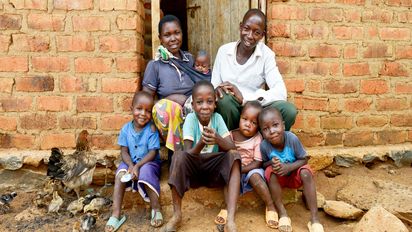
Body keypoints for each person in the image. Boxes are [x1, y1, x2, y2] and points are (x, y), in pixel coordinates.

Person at [163, 80, 241, 232]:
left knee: (234, 156)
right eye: (199, 102)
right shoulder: (191, 119)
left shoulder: (217, 119)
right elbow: (188, 153)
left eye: (209, 102)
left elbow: (232, 147)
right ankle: (177, 215)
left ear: (215, 104)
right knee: (178, 156)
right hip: (195, 171)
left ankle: (230, 220)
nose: (205, 106)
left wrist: (218, 139)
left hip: (214, 172)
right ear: (193, 106)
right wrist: (200, 143)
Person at [211, 9, 297, 131]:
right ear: (240, 27)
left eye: (257, 32)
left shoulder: (266, 55)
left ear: (262, 35)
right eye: (246, 29)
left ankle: (263, 146)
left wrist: (245, 98)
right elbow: (214, 86)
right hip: (230, 110)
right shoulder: (224, 51)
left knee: (289, 110)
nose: (250, 36)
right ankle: (229, 143)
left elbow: (281, 92)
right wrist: (218, 90)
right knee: (223, 100)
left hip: (255, 112)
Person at [142, 15, 210, 154]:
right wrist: (172, 99)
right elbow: (146, 98)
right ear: (160, 38)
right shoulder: (155, 65)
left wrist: (188, 101)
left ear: (182, 34)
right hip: (171, 114)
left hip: (192, 107)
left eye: (176, 33)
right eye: (167, 35)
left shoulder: (190, 59)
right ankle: (179, 154)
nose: (173, 38)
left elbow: (203, 80)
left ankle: (200, 153)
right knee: (168, 108)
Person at [215, 101, 278, 229]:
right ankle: (228, 207)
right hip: (234, 171)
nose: (248, 124)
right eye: (245, 119)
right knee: (228, 181)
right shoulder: (231, 135)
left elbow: (257, 162)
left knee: (256, 177)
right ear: (240, 117)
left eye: (253, 122)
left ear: (259, 126)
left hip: (251, 169)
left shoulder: (257, 138)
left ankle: (270, 206)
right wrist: (234, 171)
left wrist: (241, 170)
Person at [259, 107, 324, 232]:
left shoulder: (292, 139)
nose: (272, 131)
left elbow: (304, 159)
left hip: (295, 177)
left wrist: (288, 167)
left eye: (275, 125)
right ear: (262, 132)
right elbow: (262, 164)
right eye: (266, 129)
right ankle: (283, 213)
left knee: (306, 172)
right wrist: (270, 163)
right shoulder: (264, 146)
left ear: (283, 126)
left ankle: (315, 219)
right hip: (279, 180)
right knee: (269, 172)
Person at [105, 91, 163, 231]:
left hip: (149, 163)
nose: (143, 113)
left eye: (148, 111)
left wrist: (137, 166)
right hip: (130, 162)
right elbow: (124, 151)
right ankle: (116, 214)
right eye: (139, 109)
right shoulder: (126, 129)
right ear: (131, 109)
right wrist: (131, 165)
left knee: (146, 172)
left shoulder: (151, 130)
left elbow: (152, 152)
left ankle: (156, 209)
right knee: (120, 175)